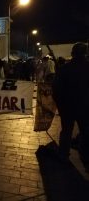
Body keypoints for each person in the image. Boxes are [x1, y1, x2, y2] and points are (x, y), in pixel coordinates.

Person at [52, 42, 89, 170]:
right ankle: (86, 156)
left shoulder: (64, 69)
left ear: (73, 53)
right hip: (85, 107)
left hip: (68, 107)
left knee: (67, 131)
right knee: (85, 132)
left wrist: (61, 106)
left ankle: (63, 155)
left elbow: (56, 90)